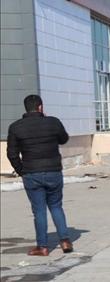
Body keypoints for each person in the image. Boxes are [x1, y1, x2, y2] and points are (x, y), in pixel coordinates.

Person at [6, 94, 73, 256]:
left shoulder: (16, 127)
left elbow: (12, 154)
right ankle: (64, 241)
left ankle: (42, 246)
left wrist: (21, 170)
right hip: (53, 171)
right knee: (56, 206)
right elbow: (64, 139)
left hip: (32, 173)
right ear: (41, 107)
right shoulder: (53, 122)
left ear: (25, 108)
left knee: (39, 211)